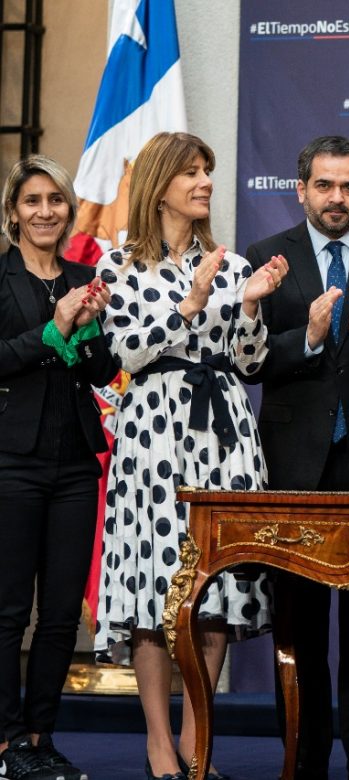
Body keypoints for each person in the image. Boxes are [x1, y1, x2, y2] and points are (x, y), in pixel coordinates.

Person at [95, 131, 288, 780]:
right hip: (153, 434)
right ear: (160, 186)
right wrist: (193, 302)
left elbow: (251, 361)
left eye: (208, 171)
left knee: (215, 590)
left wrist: (252, 307)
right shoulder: (118, 264)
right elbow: (123, 353)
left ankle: (193, 740)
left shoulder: (231, 264)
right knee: (155, 589)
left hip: (224, 434)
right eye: (193, 173)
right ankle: (155, 742)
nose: (206, 182)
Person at [244, 136, 349, 780]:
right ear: (301, 188)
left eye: (348, 187)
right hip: (295, 462)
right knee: (304, 624)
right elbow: (247, 358)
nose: (336, 198)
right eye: (324, 185)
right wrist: (309, 336)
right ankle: (308, 754)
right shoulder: (265, 258)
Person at [0, 156, 117, 780]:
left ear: (70, 210)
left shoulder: (85, 275)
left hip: (75, 463)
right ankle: (7, 741)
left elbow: (101, 373)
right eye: (32, 201)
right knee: (9, 611)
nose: (46, 211)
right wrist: (53, 329)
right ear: (14, 212)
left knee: (64, 615)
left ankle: (41, 735)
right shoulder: (2, 278)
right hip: (11, 463)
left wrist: (90, 325)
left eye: (56, 201)